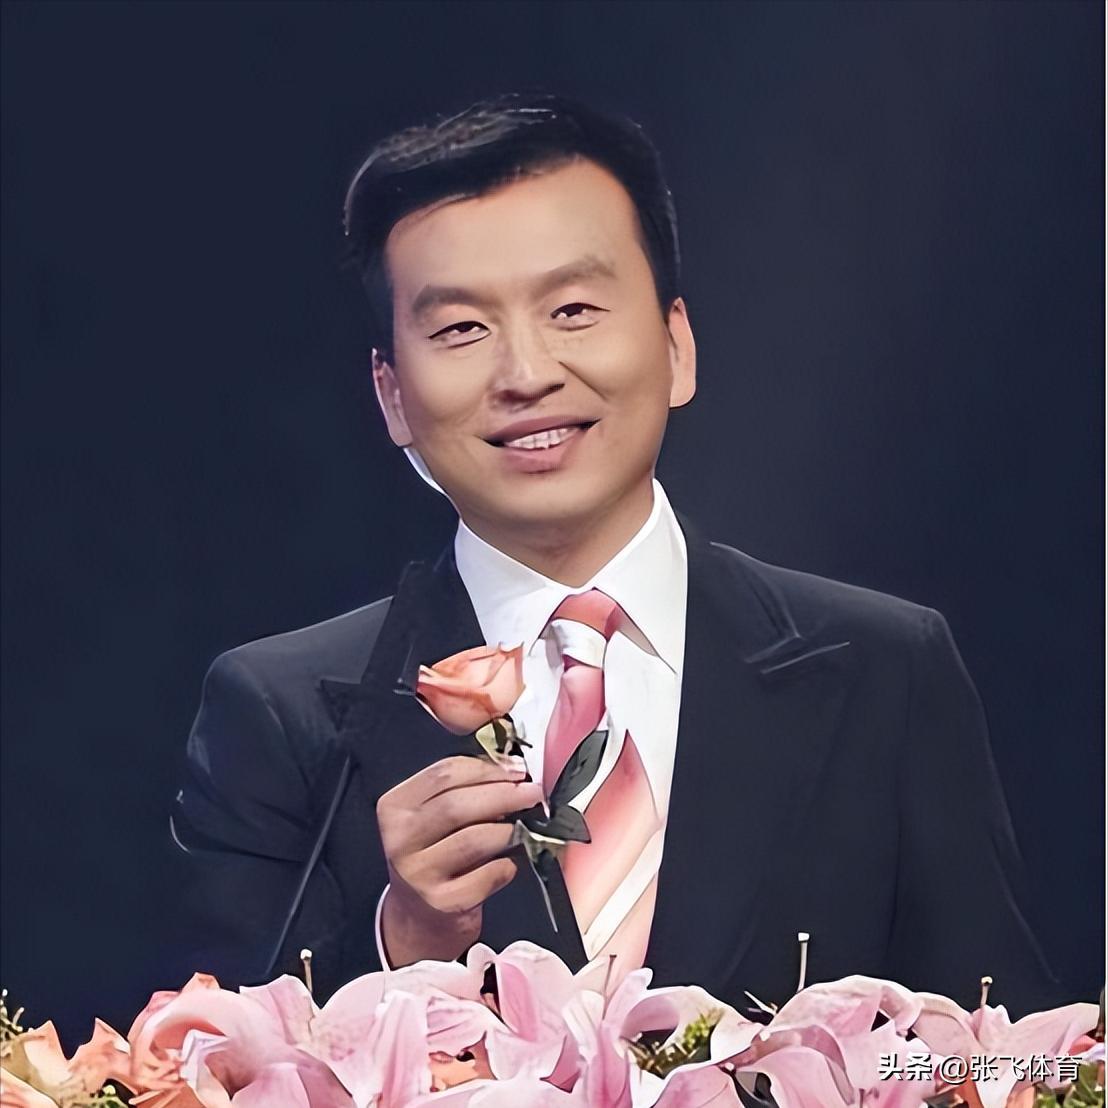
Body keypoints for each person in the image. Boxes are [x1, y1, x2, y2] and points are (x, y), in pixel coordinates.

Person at [171, 92, 1061, 1018]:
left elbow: (1010, 1052)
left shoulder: (887, 669)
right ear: (392, 395)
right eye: (461, 329)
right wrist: (405, 942)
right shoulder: (278, 715)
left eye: (573, 309)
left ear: (677, 345)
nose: (525, 374)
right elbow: (197, 1060)